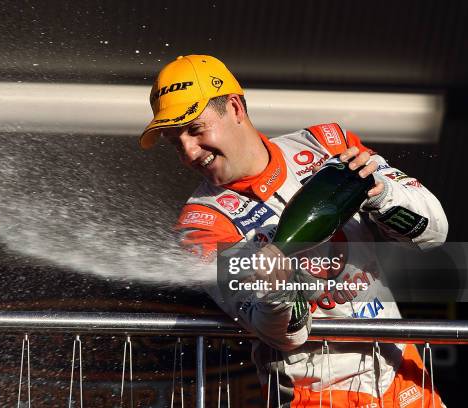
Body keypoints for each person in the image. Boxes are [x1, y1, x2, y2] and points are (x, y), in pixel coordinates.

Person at [140, 55, 448, 407]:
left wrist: (382, 193)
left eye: (195, 130)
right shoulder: (201, 226)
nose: (189, 152)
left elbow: (434, 231)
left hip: (400, 368)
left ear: (236, 108)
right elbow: (286, 337)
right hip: (315, 394)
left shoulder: (327, 143)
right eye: (175, 142)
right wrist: (277, 292)